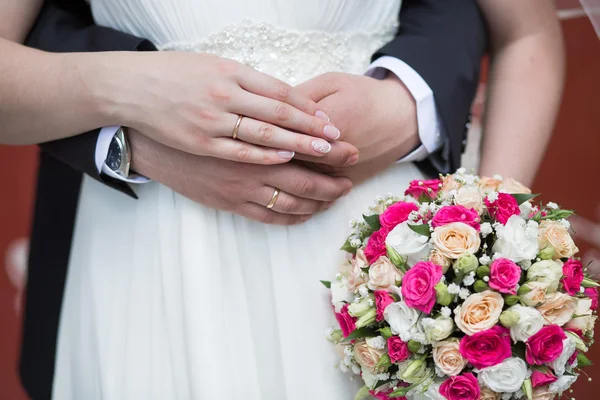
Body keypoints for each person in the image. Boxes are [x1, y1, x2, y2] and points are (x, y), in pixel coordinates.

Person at [0, 0, 562, 399]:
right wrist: (132, 99)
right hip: (147, 261)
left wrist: (495, 238)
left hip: (384, 262)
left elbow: (525, 31)